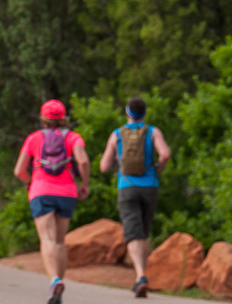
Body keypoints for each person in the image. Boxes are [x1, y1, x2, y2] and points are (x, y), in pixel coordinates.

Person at [13, 99, 90, 304]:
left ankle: (54, 280)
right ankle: (58, 289)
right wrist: (85, 184)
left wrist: (30, 182)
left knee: (47, 239)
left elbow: (19, 170)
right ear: (64, 118)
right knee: (59, 240)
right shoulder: (73, 137)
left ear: (43, 118)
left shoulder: (34, 138)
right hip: (67, 192)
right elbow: (83, 160)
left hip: (41, 191)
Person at [99, 97, 171, 298]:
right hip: (150, 186)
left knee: (132, 232)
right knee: (144, 232)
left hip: (127, 186)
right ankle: (142, 275)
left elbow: (104, 166)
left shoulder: (117, 134)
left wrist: (118, 162)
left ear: (127, 112)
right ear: (144, 113)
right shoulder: (152, 132)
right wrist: (157, 170)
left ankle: (140, 276)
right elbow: (165, 154)